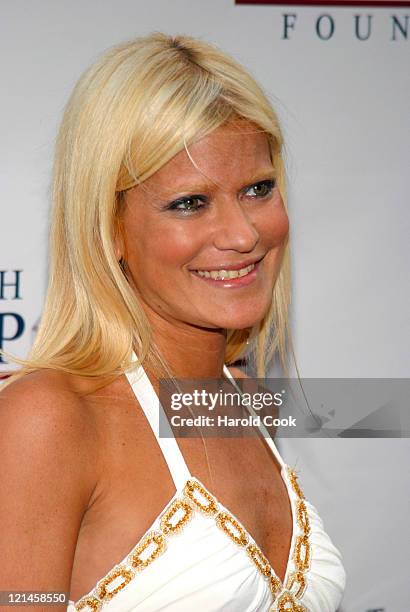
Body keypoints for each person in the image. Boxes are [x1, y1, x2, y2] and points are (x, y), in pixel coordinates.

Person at [0, 32, 346, 611]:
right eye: (190, 202)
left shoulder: (244, 398)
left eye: (258, 189)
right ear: (108, 228)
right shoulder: (49, 421)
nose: (243, 235)